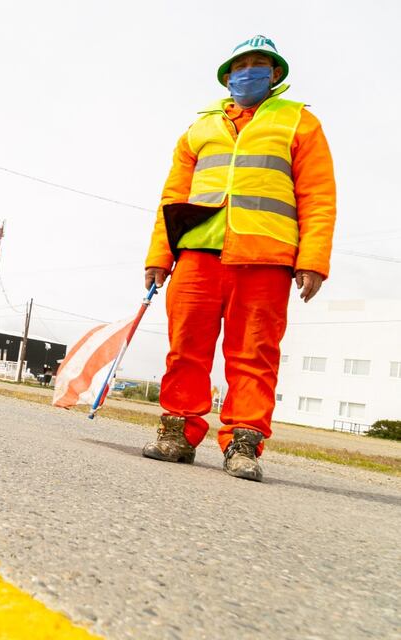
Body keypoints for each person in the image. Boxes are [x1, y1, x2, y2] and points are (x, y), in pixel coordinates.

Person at [142, 36, 335, 481]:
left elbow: (318, 196)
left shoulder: (299, 122)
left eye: (260, 65)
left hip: (265, 258)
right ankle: (177, 433)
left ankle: (243, 442)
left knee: (254, 355)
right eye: (241, 64)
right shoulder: (198, 129)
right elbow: (172, 198)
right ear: (227, 76)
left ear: (275, 75)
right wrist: (160, 256)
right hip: (197, 254)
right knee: (185, 348)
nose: (249, 71)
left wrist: (313, 258)